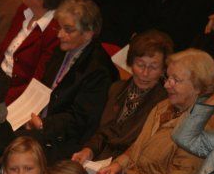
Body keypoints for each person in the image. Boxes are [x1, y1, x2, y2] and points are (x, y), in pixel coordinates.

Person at [93, 49, 214, 174]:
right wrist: (118, 165)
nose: (167, 85)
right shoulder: (165, 106)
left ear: (199, 87)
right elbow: (139, 146)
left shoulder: (205, 128)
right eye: (167, 77)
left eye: (176, 80)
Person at [22, 0, 119, 160]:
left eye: (68, 30)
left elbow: (81, 119)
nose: (60, 34)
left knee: (14, 147)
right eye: (59, 27)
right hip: (42, 122)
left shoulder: (99, 70)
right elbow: (46, 88)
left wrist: (43, 124)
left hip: (66, 139)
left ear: (88, 33)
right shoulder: (63, 50)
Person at [72, 30, 173, 164]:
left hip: (128, 166)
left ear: (163, 70)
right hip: (99, 161)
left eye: (153, 67)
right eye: (140, 64)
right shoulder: (116, 89)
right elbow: (104, 132)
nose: (145, 73)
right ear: (131, 63)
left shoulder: (165, 103)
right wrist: (89, 150)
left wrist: (118, 164)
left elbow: (144, 148)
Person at [0, 0, 66, 103]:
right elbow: (1, 53)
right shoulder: (24, 10)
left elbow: (37, 83)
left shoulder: (54, 32)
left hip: (16, 95)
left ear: (41, 0)